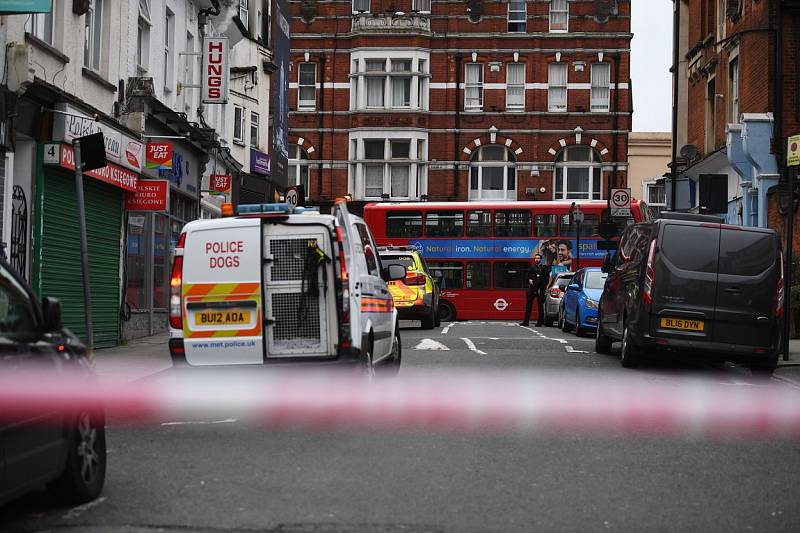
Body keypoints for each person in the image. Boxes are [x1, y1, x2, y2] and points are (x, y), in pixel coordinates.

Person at [520, 254, 551, 327]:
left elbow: (546, 279)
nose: (536, 259)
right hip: (532, 289)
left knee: (540, 306)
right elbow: (527, 275)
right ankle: (526, 321)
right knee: (528, 305)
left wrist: (542, 288)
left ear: (541, 259)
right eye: (536, 258)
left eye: (538, 258)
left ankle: (540, 322)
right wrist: (529, 279)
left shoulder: (544, 268)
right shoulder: (531, 267)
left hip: (540, 289)